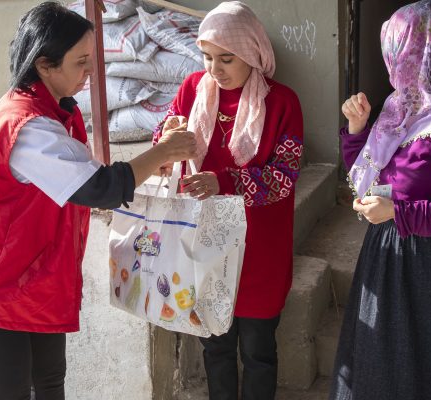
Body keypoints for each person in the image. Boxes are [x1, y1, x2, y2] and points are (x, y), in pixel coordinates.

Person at [0, 3, 196, 400]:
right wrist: (160, 153)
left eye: (91, 60)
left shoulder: (56, 111)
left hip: (32, 281)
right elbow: (100, 188)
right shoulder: (28, 127)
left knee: (50, 382)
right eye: (80, 63)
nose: (90, 72)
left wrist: (149, 165)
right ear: (45, 65)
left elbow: (87, 175)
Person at [330, 1, 431, 399]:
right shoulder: (397, 111)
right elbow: (364, 181)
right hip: (386, 252)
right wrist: (356, 129)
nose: (392, 65)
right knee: (373, 364)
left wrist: (398, 212)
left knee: (421, 371)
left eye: (397, 53)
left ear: (420, 54)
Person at [152, 2, 304, 399]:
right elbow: (162, 152)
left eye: (226, 59)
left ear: (252, 54)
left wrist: (223, 180)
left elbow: (282, 179)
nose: (214, 69)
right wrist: (166, 141)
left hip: (260, 249)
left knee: (258, 349)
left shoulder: (282, 103)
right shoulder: (192, 91)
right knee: (215, 345)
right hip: (204, 242)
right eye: (206, 57)